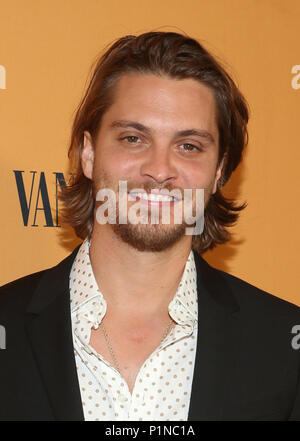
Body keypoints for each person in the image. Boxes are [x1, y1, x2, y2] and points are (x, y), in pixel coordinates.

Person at [0, 31, 300, 422]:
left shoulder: (283, 344)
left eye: (188, 146)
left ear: (219, 171)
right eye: (133, 138)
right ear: (88, 154)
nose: (159, 170)